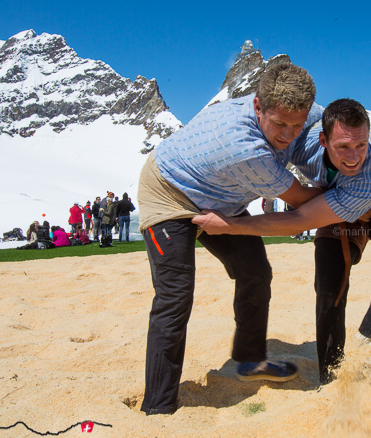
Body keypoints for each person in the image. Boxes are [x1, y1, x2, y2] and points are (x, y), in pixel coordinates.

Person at [194, 98, 371, 385]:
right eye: (343, 147)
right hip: (330, 200)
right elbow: (283, 108)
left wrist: (229, 226)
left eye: (361, 145)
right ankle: (330, 375)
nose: (353, 156)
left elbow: (299, 221)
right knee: (328, 284)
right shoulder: (302, 139)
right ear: (323, 140)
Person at [137, 62, 322, 415]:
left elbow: (339, 124)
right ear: (257, 106)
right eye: (280, 124)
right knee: (175, 296)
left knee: (256, 272)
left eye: (297, 125)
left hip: (221, 195)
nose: (289, 135)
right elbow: (302, 203)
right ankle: (157, 407)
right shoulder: (246, 149)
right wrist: (359, 196)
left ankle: (251, 361)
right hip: (168, 193)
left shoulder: (306, 113)